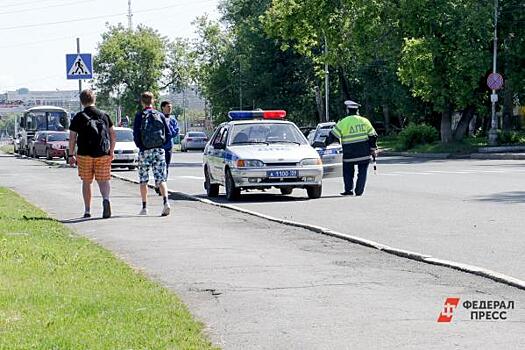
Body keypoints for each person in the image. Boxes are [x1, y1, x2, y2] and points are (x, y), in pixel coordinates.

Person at [68, 89, 116, 218]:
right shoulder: (104, 115)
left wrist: (71, 154)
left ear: (82, 101)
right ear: (94, 99)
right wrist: (111, 151)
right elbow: (112, 134)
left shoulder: (78, 117)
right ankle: (106, 199)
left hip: (84, 154)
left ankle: (87, 210)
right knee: (104, 180)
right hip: (103, 153)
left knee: (87, 181)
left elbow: (72, 137)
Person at [325, 100, 378, 196]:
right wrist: (373, 148)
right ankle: (359, 191)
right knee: (362, 172)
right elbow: (373, 135)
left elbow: (332, 136)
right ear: (357, 110)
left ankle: (348, 190)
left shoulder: (343, 122)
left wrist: (324, 144)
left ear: (348, 110)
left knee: (348, 172)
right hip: (363, 152)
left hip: (349, 154)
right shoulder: (364, 121)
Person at [133, 92, 172, 216]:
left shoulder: (139, 116)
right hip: (159, 150)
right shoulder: (160, 115)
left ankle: (144, 208)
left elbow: (136, 135)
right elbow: (169, 133)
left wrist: (141, 146)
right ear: (153, 101)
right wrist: (161, 144)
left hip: (144, 151)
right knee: (161, 178)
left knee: (143, 179)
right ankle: (166, 202)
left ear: (142, 102)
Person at [153, 101, 179, 195]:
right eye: (168, 107)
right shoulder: (158, 118)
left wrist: (169, 129)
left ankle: (162, 185)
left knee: (166, 166)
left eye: (170, 107)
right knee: (157, 166)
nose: (169, 108)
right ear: (163, 107)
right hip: (158, 146)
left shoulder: (172, 120)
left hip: (168, 147)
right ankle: (157, 184)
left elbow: (175, 132)